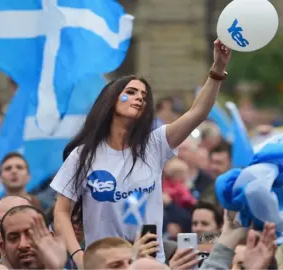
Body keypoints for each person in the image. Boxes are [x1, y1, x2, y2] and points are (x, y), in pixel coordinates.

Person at [51, 39, 232, 266]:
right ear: (111, 100)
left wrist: (218, 69)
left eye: (143, 96)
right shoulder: (83, 155)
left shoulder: (155, 144)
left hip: (150, 264)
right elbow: (61, 213)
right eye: (131, 92)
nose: (139, 98)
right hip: (105, 264)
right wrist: (80, 257)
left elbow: (198, 112)